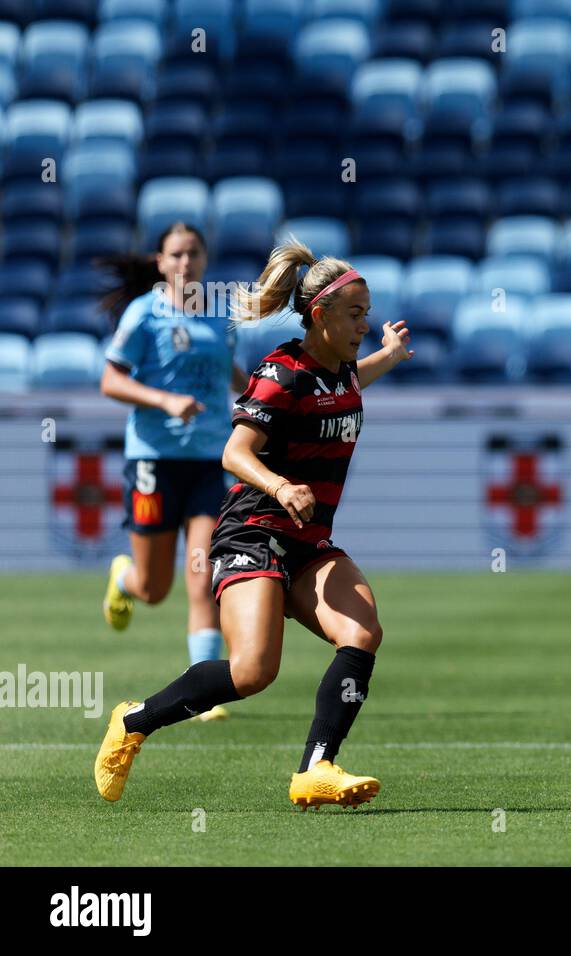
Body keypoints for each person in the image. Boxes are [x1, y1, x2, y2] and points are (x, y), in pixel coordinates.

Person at [94, 238, 413, 808]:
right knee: (252, 671)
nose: (367, 323)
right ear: (320, 315)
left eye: (368, 314)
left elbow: (347, 387)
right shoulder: (282, 371)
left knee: (362, 633)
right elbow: (235, 453)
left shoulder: (340, 373)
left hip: (308, 541)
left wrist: (387, 355)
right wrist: (281, 485)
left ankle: (316, 769)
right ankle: (135, 720)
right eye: (357, 314)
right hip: (254, 531)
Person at [99, 223, 247, 721]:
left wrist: (264, 397)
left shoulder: (219, 317)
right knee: (154, 588)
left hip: (209, 461)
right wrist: (164, 399)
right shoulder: (144, 314)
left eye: (194, 254)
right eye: (177, 255)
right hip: (153, 462)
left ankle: (203, 690)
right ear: (161, 263)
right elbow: (110, 380)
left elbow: (231, 373)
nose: (186, 264)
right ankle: (124, 578)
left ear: (205, 260)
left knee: (203, 575)